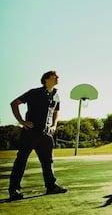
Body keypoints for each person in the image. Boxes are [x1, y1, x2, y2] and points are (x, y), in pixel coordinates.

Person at [9, 71, 68, 201]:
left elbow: (56, 112)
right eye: (55, 76)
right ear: (46, 79)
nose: (58, 78)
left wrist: (54, 125)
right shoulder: (34, 92)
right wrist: (21, 121)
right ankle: (14, 190)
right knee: (21, 161)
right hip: (30, 133)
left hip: (46, 134)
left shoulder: (56, 95)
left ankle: (51, 186)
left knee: (48, 162)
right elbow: (14, 103)